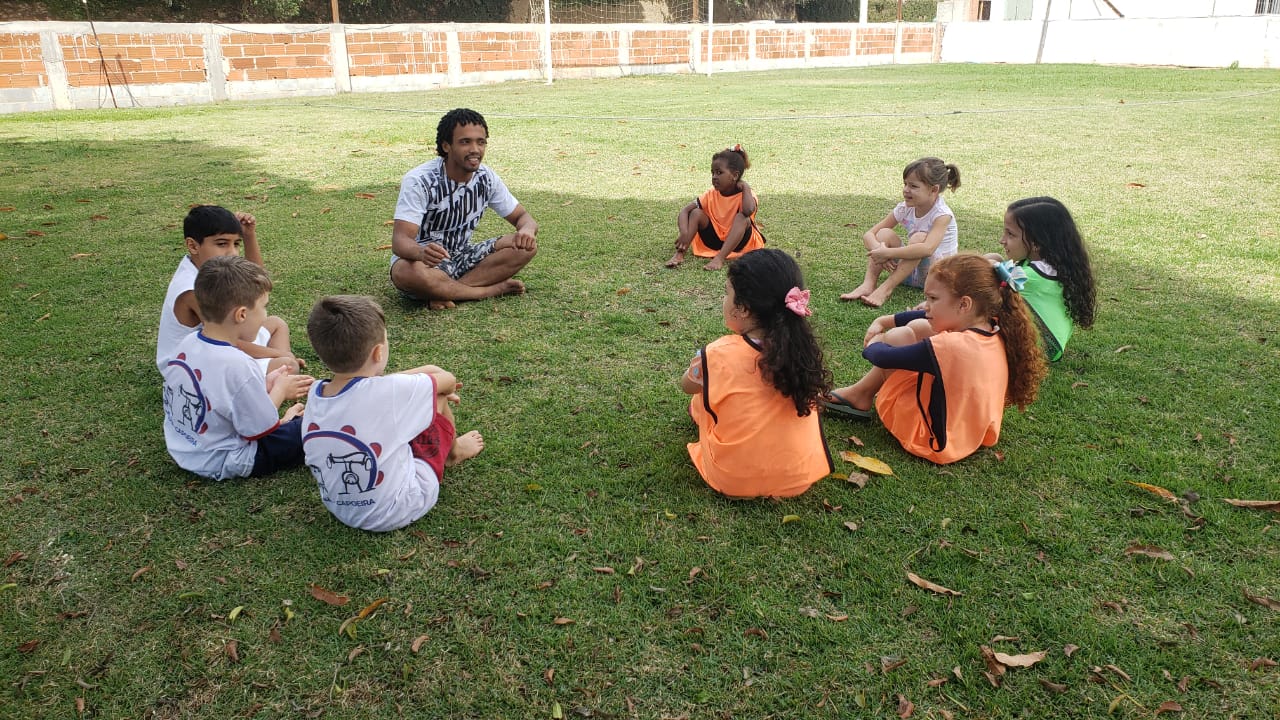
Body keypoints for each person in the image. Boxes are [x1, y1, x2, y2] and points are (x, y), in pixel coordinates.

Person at [822, 254, 1047, 465]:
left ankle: (860, 394)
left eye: (932, 298)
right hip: (970, 433)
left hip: (933, 441)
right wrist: (885, 319)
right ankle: (861, 394)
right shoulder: (994, 326)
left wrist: (878, 338)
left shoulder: (953, 346)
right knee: (920, 326)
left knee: (898, 337)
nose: (925, 305)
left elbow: (883, 355)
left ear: (964, 304)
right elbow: (924, 316)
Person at [302, 295, 484, 532]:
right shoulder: (389, 391)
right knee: (436, 393)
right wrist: (432, 385)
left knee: (418, 395)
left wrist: (407, 385)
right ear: (378, 352)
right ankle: (454, 453)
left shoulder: (315, 394)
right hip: (401, 507)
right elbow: (448, 380)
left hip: (341, 511)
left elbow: (371, 390)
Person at [680, 248, 834, 498]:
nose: (724, 300)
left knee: (699, 400)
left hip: (733, 481)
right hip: (799, 477)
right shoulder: (803, 351)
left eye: (726, 293)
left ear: (743, 309)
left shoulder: (717, 353)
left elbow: (686, 385)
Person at [161, 256, 314, 480]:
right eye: (264, 307)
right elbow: (261, 429)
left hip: (186, 449)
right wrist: (280, 390)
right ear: (241, 314)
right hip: (225, 459)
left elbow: (220, 397)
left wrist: (265, 383)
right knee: (313, 427)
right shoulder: (238, 364)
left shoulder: (188, 344)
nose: (265, 315)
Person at [390, 108, 538, 310]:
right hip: (425, 264)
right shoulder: (420, 180)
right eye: (465, 142)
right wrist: (421, 252)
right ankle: (488, 291)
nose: (475, 149)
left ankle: (446, 292)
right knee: (403, 272)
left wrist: (527, 230)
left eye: (481, 142)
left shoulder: (486, 178)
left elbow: (523, 217)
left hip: (463, 256)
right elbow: (400, 241)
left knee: (525, 247)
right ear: (446, 146)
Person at [156, 204, 300, 374]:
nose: (232, 252)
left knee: (277, 324)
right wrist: (280, 354)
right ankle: (273, 381)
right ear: (193, 246)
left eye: (236, 243)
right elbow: (229, 341)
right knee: (289, 366)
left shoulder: (204, 268)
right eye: (222, 244)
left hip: (220, 345)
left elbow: (256, 284)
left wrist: (249, 235)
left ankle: (274, 373)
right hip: (194, 365)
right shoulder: (193, 291)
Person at [984, 197, 1096, 362]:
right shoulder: (1055, 264)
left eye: (1010, 234)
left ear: (1036, 243)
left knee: (985, 276)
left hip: (1042, 346)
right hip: (1046, 344)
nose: (1002, 240)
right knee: (994, 259)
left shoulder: (1032, 277)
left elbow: (990, 274)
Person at [839, 157, 961, 308]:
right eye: (905, 184)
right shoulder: (905, 208)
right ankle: (868, 285)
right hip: (908, 273)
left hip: (936, 277)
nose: (906, 190)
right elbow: (869, 235)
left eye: (913, 186)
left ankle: (885, 289)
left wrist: (889, 253)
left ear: (934, 189)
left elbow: (927, 248)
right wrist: (880, 251)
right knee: (884, 233)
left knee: (919, 238)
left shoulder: (942, 215)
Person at [665, 144, 766, 271]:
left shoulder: (747, 194)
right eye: (712, 173)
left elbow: (748, 210)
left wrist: (745, 186)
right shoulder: (710, 193)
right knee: (696, 213)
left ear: (735, 175)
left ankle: (719, 258)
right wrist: (684, 232)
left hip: (738, 243)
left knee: (743, 218)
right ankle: (679, 254)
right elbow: (685, 210)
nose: (714, 177)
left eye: (719, 172)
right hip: (714, 240)